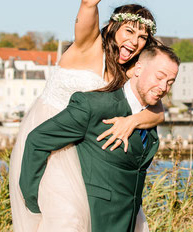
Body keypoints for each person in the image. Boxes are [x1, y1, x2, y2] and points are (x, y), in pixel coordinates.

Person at [9, 0, 162, 232]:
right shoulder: (86, 46)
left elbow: (158, 112)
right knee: (67, 220)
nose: (134, 41)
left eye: (142, 37)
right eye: (129, 32)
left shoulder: (128, 70)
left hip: (89, 149)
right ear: (114, 27)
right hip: (51, 142)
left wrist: (132, 122)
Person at [19, 45, 179, 232]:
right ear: (138, 69)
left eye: (170, 82)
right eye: (159, 77)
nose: (163, 87)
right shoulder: (94, 106)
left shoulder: (147, 116)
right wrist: (33, 202)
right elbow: (37, 140)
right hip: (93, 220)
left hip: (128, 221)